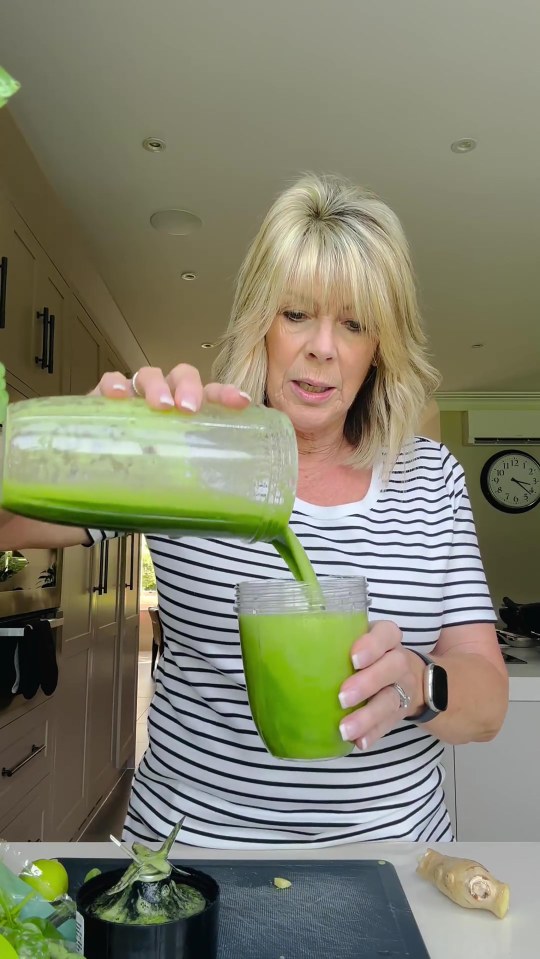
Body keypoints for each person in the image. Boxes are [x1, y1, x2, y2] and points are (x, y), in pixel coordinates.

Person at [0, 173, 508, 847]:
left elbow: (488, 702)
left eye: (353, 323)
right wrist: (94, 443)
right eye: (296, 313)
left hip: (394, 860)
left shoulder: (429, 478)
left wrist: (421, 682)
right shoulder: (186, 456)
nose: (321, 347)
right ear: (259, 323)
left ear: (379, 347)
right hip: (191, 858)